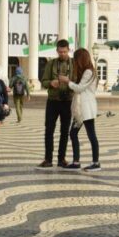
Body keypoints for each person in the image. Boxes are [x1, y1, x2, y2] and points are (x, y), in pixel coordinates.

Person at [59, 48, 101, 172]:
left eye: (76, 59)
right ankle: (76, 162)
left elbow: (79, 88)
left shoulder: (89, 72)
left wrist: (67, 81)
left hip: (86, 108)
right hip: (81, 109)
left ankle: (96, 163)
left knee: (91, 135)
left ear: (81, 59)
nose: (75, 62)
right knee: (73, 133)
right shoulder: (87, 72)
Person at [38, 40, 74, 168]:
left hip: (68, 101)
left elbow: (78, 83)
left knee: (65, 131)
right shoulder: (51, 63)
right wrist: (50, 83)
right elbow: (43, 81)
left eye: (64, 51)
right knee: (49, 130)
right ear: (57, 51)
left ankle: (61, 159)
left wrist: (68, 81)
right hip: (53, 101)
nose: (62, 54)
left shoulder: (74, 64)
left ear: (68, 50)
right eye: (60, 52)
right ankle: (48, 159)